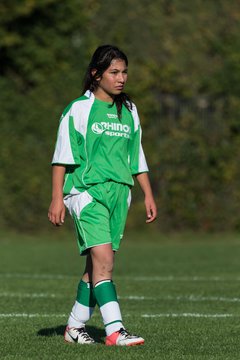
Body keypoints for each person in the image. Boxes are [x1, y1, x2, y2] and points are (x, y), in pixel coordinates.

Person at [48, 45, 157, 346]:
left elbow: (137, 158)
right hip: (86, 193)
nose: (121, 78)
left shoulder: (130, 111)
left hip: (120, 193)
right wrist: (57, 197)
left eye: (124, 72)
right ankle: (115, 330)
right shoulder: (78, 110)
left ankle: (74, 326)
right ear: (96, 74)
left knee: (97, 266)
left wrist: (148, 194)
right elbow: (62, 157)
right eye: (114, 72)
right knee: (105, 260)